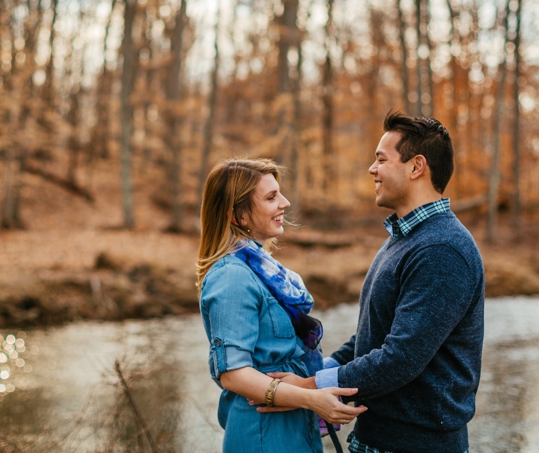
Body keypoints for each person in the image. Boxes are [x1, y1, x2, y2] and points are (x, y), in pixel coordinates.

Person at [266, 111, 485, 453]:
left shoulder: (442, 248)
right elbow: (376, 333)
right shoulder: (405, 238)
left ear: (416, 167)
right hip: (379, 439)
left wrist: (308, 389)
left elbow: (400, 358)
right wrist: (321, 369)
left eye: (381, 159)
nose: (372, 169)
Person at [198, 158, 367, 453]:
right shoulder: (231, 276)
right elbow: (233, 373)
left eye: (280, 193)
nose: (285, 203)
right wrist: (312, 398)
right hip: (263, 435)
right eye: (271, 197)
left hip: (293, 427)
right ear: (239, 216)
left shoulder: (265, 272)